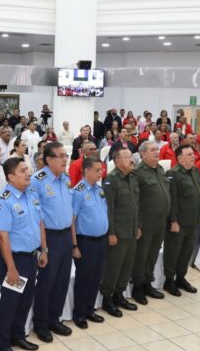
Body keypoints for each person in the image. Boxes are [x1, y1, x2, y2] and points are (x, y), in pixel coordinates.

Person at [0, 158, 42, 351]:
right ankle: (2, 342)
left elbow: (39, 223)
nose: (28, 173)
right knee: (10, 301)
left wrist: (43, 249)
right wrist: (11, 268)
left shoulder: (31, 194)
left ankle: (17, 335)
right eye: (23, 171)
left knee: (25, 300)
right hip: (14, 260)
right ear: (11, 176)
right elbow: (2, 237)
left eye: (27, 169)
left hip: (31, 257)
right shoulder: (3, 201)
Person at [30, 142, 73, 342]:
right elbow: (36, 216)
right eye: (61, 156)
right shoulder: (37, 181)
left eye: (66, 155)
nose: (65, 159)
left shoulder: (65, 178)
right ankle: (40, 323)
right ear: (48, 159)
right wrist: (43, 247)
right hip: (49, 237)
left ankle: (54, 319)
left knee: (62, 280)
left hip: (65, 235)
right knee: (47, 282)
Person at [69, 157, 108, 329]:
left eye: (102, 169)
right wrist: (74, 246)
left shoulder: (99, 190)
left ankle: (89, 309)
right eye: (97, 170)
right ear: (86, 171)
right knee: (84, 279)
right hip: (85, 242)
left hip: (100, 240)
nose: (101, 173)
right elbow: (72, 220)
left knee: (96, 277)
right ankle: (79, 314)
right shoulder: (78, 191)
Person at [100, 148, 140, 316]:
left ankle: (119, 294)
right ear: (116, 161)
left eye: (131, 156)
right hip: (118, 232)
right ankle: (107, 298)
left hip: (132, 231)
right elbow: (110, 209)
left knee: (126, 266)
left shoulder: (133, 178)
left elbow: (137, 205)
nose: (131, 159)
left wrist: (138, 226)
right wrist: (111, 233)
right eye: (127, 157)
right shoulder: (111, 180)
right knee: (114, 266)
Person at [162, 145, 200, 297]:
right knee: (173, 252)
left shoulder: (195, 171)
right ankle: (169, 280)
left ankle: (181, 278)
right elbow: (171, 199)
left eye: (193, 154)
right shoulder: (173, 174)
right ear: (179, 158)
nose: (193, 156)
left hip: (193, 221)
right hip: (179, 222)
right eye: (189, 154)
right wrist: (173, 220)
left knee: (186, 252)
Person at [131, 141, 170, 304]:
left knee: (152, 254)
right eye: (153, 150)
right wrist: (138, 224)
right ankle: (137, 287)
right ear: (143, 154)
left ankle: (148, 282)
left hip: (160, 222)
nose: (157, 152)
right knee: (141, 256)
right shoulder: (138, 173)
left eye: (157, 149)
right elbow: (135, 201)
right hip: (145, 223)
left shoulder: (160, 169)